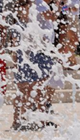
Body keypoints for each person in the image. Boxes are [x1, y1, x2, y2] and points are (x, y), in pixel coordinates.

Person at [9, 0, 55, 130]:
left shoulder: (32, 25)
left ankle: (40, 120)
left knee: (37, 90)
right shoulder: (18, 26)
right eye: (25, 8)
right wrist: (15, 64)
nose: (27, 11)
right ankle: (17, 120)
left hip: (34, 60)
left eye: (29, 8)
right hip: (23, 61)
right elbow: (14, 47)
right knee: (22, 91)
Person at [56, 0, 80, 66]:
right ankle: (71, 59)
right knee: (70, 41)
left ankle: (69, 58)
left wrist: (67, 6)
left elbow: (75, 9)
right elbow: (62, 7)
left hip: (75, 19)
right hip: (68, 19)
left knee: (74, 41)